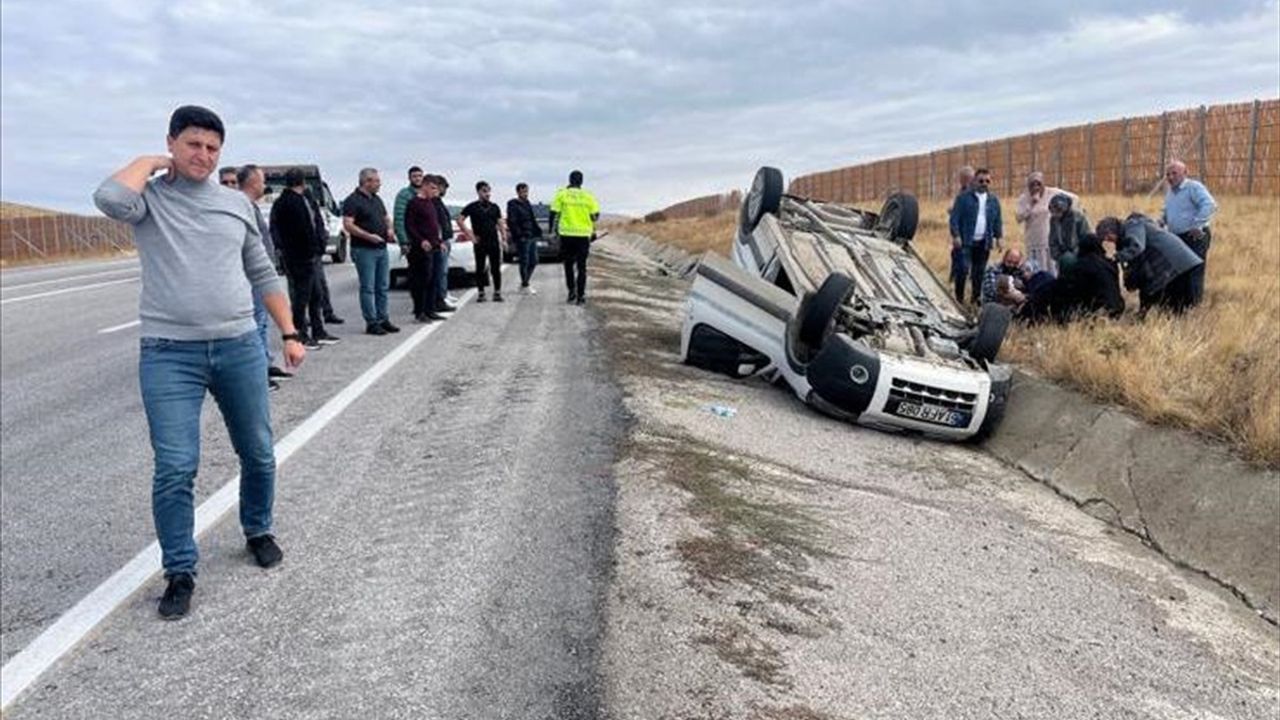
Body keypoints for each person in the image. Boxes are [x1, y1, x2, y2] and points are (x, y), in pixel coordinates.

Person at [93, 105, 305, 619]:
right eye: (192, 144)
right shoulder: (150, 201)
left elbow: (262, 270)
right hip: (170, 353)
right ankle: (181, 569)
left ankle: (257, 529)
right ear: (172, 143)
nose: (203, 155)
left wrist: (290, 333)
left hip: (238, 346)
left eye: (212, 148)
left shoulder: (237, 205)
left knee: (257, 451)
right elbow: (108, 197)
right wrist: (148, 161)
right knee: (175, 467)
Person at [273, 168, 339, 349]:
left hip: (308, 255)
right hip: (300, 256)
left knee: (316, 294)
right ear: (302, 182)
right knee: (302, 297)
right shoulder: (289, 202)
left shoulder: (301, 199)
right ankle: (300, 334)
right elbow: (303, 230)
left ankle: (318, 331)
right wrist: (315, 247)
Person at [236, 164, 288, 389]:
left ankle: (265, 362)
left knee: (263, 322)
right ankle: (256, 375)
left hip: (262, 275)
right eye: (263, 180)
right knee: (256, 323)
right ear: (253, 182)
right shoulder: (242, 206)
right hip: (251, 276)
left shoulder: (252, 206)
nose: (265, 184)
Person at [1097, 214, 1203, 316]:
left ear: (1113, 230)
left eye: (1107, 236)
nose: (1107, 240)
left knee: (1176, 308)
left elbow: (1137, 247)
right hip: (1179, 264)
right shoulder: (1130, 232)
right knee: (1170, 308)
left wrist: (1116, 257)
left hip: (1179, 265)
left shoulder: (1133, 226)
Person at [342, 168, 400, 335]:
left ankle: (383, 318)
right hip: (364, 249)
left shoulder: (377, 199)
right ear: (366, 182)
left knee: (382, 286)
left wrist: (389, 229)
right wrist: (368, 236)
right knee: (368, 287)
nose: (379, 183)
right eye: (376, 181)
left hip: (381, 248)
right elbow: (348, 224)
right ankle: (372, 321)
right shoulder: (352, 200)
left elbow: (386, 218)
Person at [1161, 160, 1217, 305]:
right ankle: (1178, 305)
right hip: (1176, 238)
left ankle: (1193, 307)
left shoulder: (1194, 187)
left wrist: (1197, 224)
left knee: (1194, 270)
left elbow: (1209, 204)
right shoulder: (1170, 193)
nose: (1171, 177)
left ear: (1185, 173)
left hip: (1195, 236)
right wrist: (1159, 223)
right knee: (1178, 271)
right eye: (1168, 174)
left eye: (1174, 173)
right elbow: (1167, 213)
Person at [948, 167, 1003, 305]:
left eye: (987, 181)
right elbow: (954, 218)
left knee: (979, 273)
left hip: (984, 242)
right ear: (974, 181)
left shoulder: (993, 200)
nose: (984, 183)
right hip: (966, 241)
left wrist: (999, 237)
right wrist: (956, 235)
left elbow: (997, 220)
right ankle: (959, 299)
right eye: (981, 180)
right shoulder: (963, 198)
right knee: (963, 270)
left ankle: (975, 299)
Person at [550, 170, 600, 305]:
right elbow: (595, 215)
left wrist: (552, 231)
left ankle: (571, 291)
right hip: (583, 236)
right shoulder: (588, 196)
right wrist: (592, 229)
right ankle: (581, 296)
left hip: (566, 235)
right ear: (581, 181)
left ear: (569, 180)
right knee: (582, 266)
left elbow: (553, 213)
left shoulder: (562, 194)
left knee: (568, 265)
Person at [1015, 172, 1077, 275]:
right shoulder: (1024, 198)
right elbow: (1019, 218)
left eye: (1038, 184)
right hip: (1033, 240)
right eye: (1032, 184)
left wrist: (1064, 212)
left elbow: (1073, 198)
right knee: (1037, 271)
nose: (1036, 187)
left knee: (1052, 269)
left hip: (1050, 238)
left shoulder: (1052, 193)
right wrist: (1031, 204)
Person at [1053, 234, 1124, 321]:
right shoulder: (1110, 264)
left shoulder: (1082, 266)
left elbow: (1074, 292)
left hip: (1097, 312)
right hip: (1117, 309)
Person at [406, 176, 446, 323]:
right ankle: (419, 311)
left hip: (434, 246)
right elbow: (410, 226)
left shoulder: (430, 203)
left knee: (434, 279)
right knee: (422, 280)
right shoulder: (414, 203)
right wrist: (421, 240)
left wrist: (439, 241)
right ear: (426, 186)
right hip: (421, 248)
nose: (436, 192)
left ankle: (430, 309)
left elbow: (434, 226)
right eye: (434, 188)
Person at [460, 181, 508, 302]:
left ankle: (497, 292)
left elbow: (500, 223)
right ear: (478, 192)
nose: (487, 194)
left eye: (488, 191)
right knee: (480, 268)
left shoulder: (494, 207)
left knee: (495, 268)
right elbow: (460, 220)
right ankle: (481, 293)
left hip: (493, 241)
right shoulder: (472, 206)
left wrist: (504, 238)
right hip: (480, 241)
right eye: (484, 191)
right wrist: (470, 235)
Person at [302, 186, 344, 326]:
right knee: (307, 287)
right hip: (303, 254)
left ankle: (327, 312)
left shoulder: (314, 209)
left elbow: (322, 227)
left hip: (315, 252)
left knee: (320, 286)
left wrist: (321, 243)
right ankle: (307, 317)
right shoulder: (300, 208)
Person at [394, 166, 427, 316]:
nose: (418, 179)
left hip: (427, 242)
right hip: (413, 241)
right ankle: (417, 307)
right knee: (416, 276)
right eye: (414, 176)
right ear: (409, 178)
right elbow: (399, 219)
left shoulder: (425, 194)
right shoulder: (404, 195)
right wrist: (404, 241)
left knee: (427, 276)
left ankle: (426, 306)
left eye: (420, 176)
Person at [507, 182, 543, 293]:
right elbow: (512, 221)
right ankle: (525, 285)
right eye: (523, 191)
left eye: (526, 191)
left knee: (534, 260)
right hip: (522, 237)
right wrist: (519, 235)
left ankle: (524, 283)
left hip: (531, 235)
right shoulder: (513, 204)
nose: (525, 194)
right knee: (524, 261)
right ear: (518, 192)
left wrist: (538, 231)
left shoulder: (527, 203)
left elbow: (532, 218)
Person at [431, 175, 458, 313]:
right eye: (443, 187)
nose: (444, 190)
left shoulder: (439, 201)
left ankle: (443, 295)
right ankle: (439, 299)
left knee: (443, 271)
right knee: (440, 271)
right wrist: (440, 240)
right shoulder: (433, 202)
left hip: (445, 240)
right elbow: (436, 223)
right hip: (439, 241)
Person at [1047, 193, 1090, 274]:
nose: (1055, 214)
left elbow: (1086, 239)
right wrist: (1058, 256)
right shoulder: (1053, 220)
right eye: (1053, 211)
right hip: (1061, 259)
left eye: (1057, 211)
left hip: (1079, 258)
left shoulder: (1078, 217)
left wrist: (1075, 255)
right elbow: (1052, 240)